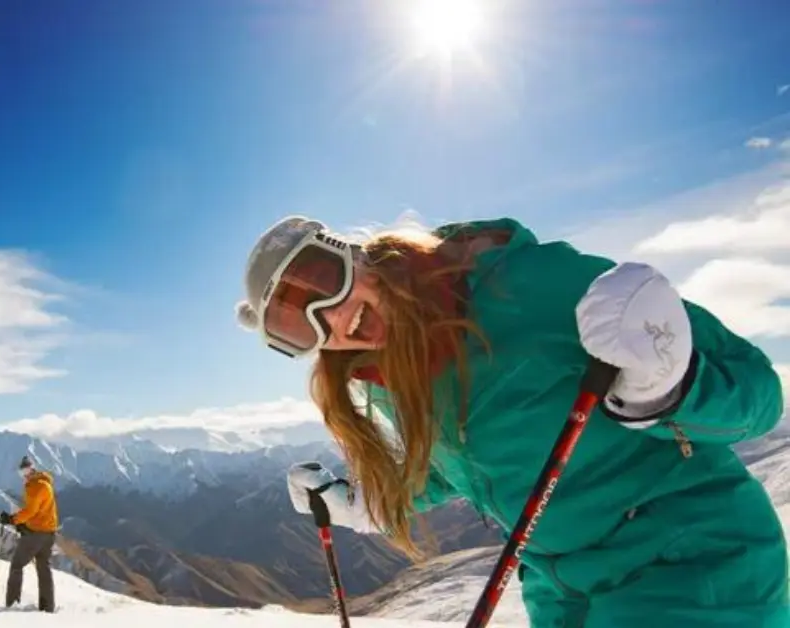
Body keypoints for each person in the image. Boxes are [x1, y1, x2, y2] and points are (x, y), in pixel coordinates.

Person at [236, 215, 789, 627]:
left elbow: (762, 397)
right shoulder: (396, 372)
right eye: (295, 328)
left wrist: (670, 383)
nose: (327, 318)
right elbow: (460, 467)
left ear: (352, 254)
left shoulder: (529, 285)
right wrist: (361, 504)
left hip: (692, 566)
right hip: (561, 591)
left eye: (320, 281)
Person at [0, 455, 59, 613]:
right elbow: (40, 512)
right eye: (22, 472)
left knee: (17, 566)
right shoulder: (46, 484)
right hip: (49, 533)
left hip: (36, 535)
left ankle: (12, 604)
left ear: (32, 469)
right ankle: (48, 607)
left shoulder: (34, 486)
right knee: (43, 568)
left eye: (26, 471)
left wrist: (13, 520)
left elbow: (30, 511)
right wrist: (24, 525)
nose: (24, 475)